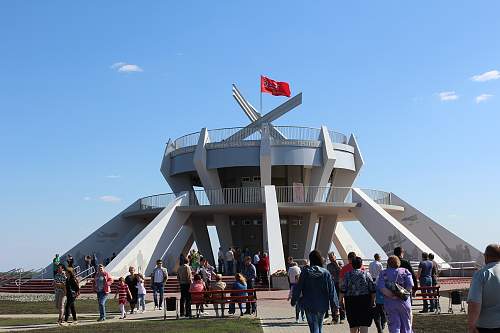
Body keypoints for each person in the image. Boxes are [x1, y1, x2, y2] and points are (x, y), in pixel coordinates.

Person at [291, 250, 338, 333]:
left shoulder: (305, 272)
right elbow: (332, 290)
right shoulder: (326, 273)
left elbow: (298, 287)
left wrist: (294, 300)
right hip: (322, 304)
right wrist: (335, 305)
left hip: (309, 304)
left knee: (313, 328)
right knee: (319, 327)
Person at [467, 244, 500, 333]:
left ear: (486, 256)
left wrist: (471, 326)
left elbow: (474, 303)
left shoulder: (481, 274)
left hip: (487, 326)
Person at [378, 255, 414, 333]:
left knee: (394, 325)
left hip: (390, 303)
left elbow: (382, 288)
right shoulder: (405, 271)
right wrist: (402, 294)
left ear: (388, 263)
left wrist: (392, 296)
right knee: (406, 324)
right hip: (404, 302)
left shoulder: (383, 273)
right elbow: (410, 285)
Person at [340, 256, 376, 333]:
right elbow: (372, 289)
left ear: (352, 265)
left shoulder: (347, 275)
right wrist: (373, 301)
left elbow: (343, 289)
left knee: (353, 323)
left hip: (351, 301)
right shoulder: (366, 274)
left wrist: (340, 301)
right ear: (361, 264)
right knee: (364, 323)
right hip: (365, 300)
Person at [326, 252, 345, 324]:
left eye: (332, 257)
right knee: (333, 301)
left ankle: (342, 317)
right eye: (329, 257)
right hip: (332, 284)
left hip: (339, 284)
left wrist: (336, 264)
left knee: (340, 300)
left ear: (335, 257)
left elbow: (341, 272)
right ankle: (334, 318)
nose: (331, 259)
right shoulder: (328, 266)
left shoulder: (339, 264)